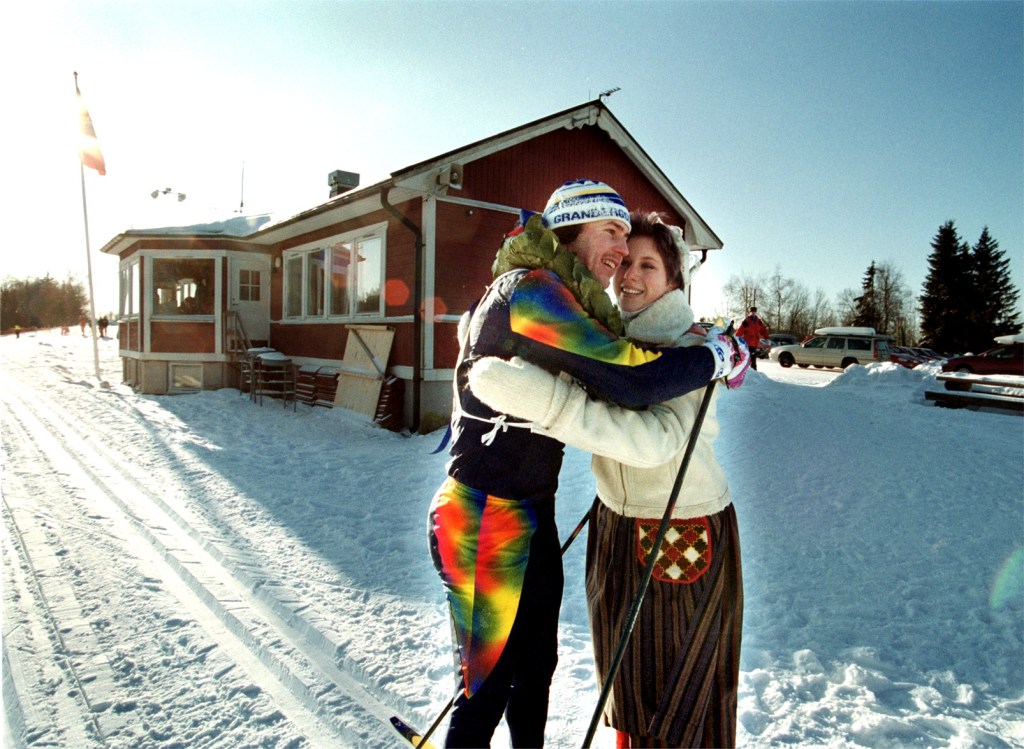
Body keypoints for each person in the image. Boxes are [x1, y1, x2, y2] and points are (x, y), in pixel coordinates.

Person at [428, 181, 749, 748]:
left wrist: (708, 346)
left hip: (534, 511)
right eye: (613, 233)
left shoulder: (574, 301)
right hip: (484, 515)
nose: (622, 255)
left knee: (536, 670)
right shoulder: (533, 291)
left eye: (636, 249)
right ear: (572, 229)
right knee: (488, 684)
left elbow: (624, 379)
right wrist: (713, 356)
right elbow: (629, 377)